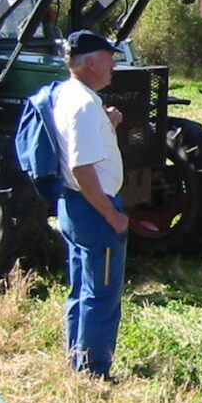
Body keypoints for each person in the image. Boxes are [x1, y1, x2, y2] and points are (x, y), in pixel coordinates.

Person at [52, 30, 127, 380]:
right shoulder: (83, 105)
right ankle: (94, 371)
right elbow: (81, 167)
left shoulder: (68, 95)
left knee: (81, 288)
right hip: (94, 208)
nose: (114, 64)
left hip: (73, 205)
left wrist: (106, 123)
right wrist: (111, 214)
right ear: (92, 62)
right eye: (109, 57)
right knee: (102, 294)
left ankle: (76, 357)